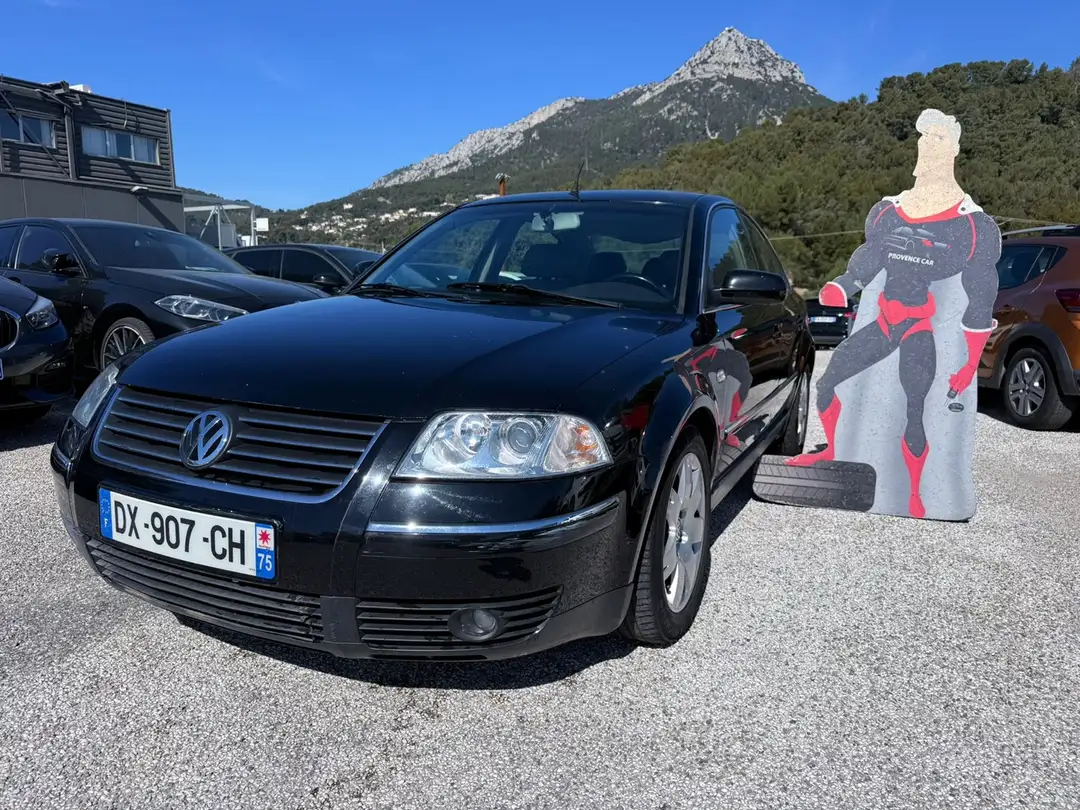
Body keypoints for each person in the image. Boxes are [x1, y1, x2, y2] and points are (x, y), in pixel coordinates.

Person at [785, 109, 1000, 519]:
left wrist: (970, 364)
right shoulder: (888, 211)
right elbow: (868, 259)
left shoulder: (973, 227)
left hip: (918, 329)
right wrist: (842, 286)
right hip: (884, 325)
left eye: (937, 138)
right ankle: (833, 452)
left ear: (954, 149)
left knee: (914, 411)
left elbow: (980, 297)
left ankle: (917, 495)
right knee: (828, 383)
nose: (926, 145)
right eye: (923, 137)